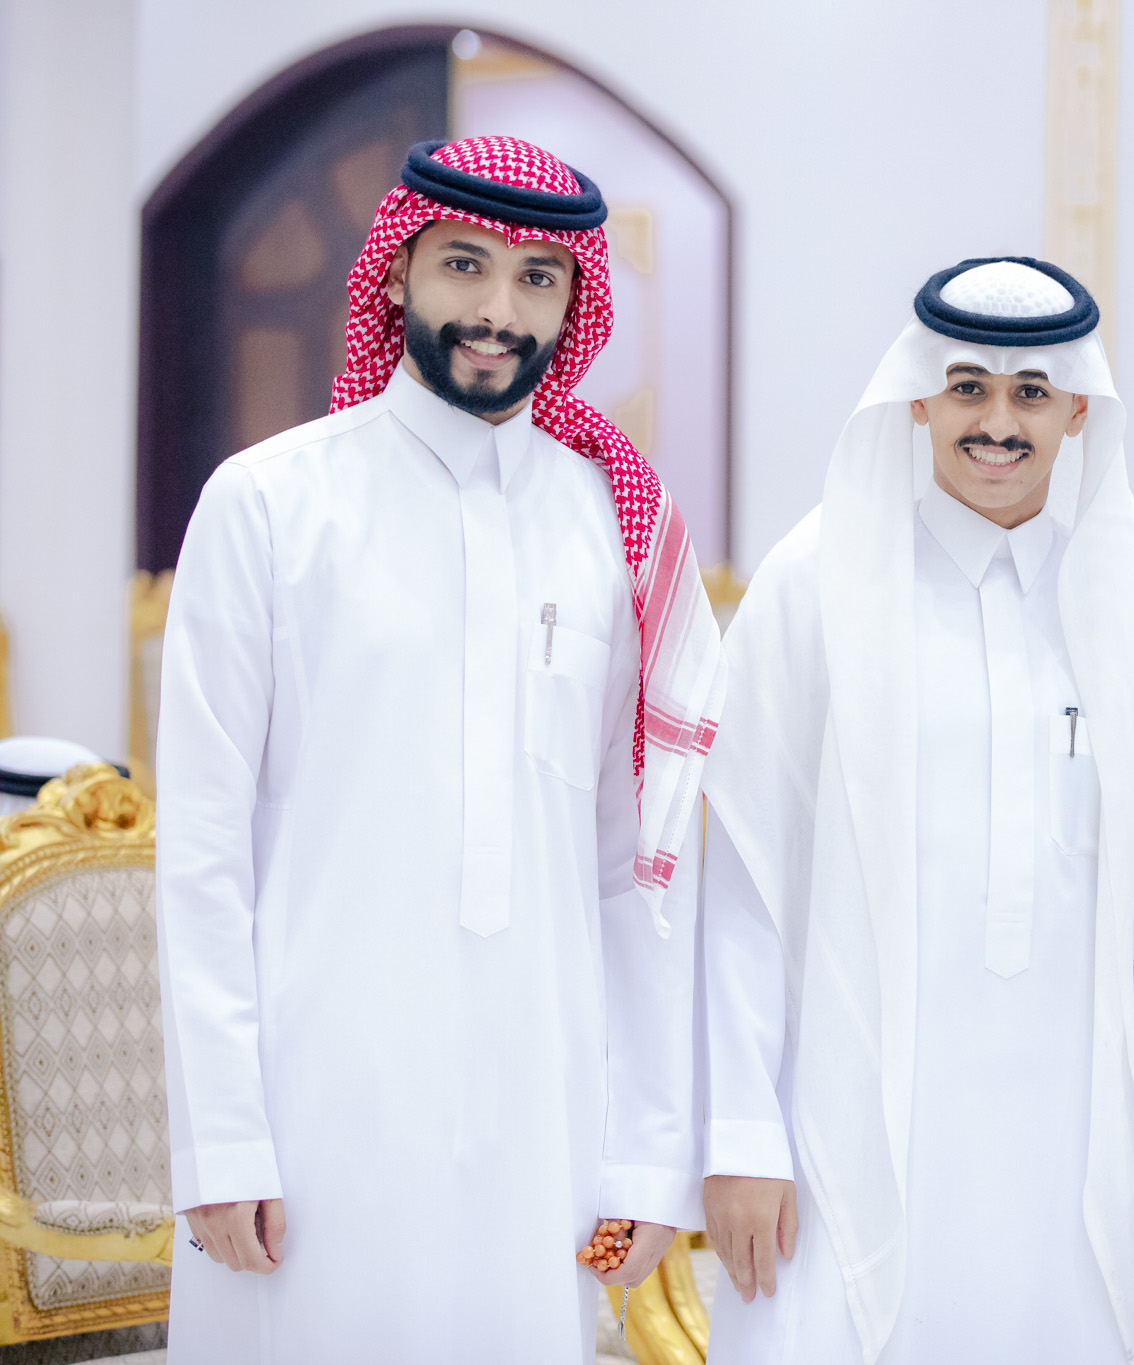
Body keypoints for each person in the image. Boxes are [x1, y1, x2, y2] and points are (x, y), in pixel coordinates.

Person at [155, 137, 725, 1363]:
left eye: (536, 278)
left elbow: (634, 870)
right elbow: (199, 852)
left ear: (574, 302)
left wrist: (647, 1150)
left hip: (541, 1114)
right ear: (397, 272)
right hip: (313, 1105)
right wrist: (221, 1139)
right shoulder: (269, 504)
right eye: (464, 264)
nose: (496, 309)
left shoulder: (610, 525)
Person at [698, 258, 1134, 1364]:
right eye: (967, 389)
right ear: (918, 401)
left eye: (1031, 392)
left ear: (1076, 410)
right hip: (841, 1126)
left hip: (1069, 1150)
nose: (997, 422)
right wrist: (741, 1131)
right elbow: (745, 876)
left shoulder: (1131, 607)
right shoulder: (816, 583)